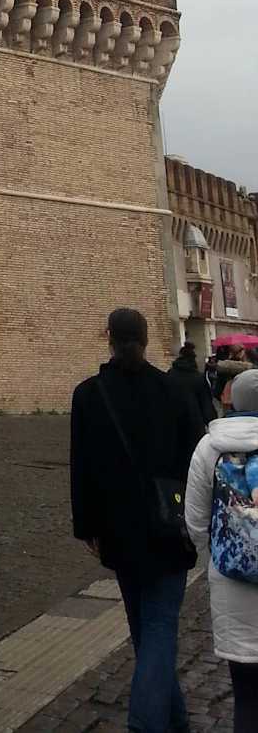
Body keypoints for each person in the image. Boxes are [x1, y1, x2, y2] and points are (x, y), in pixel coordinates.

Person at [70, 307, 203, 733]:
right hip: (170, 528)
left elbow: (81, 468)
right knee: (156, 632)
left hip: (119, 532)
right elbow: (196, 460)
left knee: (147, 634)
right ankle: (157, 723)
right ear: (146, 340)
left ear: (108, 338)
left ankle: (162, 723)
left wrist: (86, 527)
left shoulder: (88, 395)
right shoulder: (172, 392)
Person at [185, 367, 258, 733]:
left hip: (231, 583)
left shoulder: (209, 447)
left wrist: (217, 556)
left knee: (246, 697)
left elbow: (195, 520)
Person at [169, 341, 216, 428]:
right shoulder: (198, 377)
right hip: (194, 423)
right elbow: (206, 405)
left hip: (174, 422)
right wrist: (213, 424)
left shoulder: (170, 374)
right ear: (193, 359)